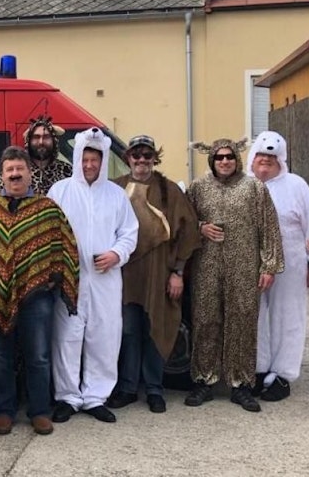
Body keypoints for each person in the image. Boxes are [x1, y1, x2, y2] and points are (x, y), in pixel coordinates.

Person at [0, 146, 79, 436]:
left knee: (39, 356)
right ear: (2, 174)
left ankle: (39, 411)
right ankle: (4, 411)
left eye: (19, 169)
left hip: (37, 295)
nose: (14, 174)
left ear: (29, 172)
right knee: (1, 357)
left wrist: (52, 275)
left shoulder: (47, 208)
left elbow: (64, 246)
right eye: (9, 170)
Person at [185, 137, 284, 412]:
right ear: (212, 160)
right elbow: (183, 221)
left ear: (237, 159)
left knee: (242, 321)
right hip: (207, 266)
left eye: (229, 156)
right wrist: (201, 227)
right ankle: (204, 380)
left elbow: (269, 228)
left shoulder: (254, 188)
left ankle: (241, 384)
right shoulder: (198, 187)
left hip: (244, 267)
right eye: (219, 157)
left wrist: (269, 266)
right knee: (205, 320)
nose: (225, 161)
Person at [47, 128, 138, 424]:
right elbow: (47, 231)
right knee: (67, 338)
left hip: (105, 278)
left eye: (94, 160)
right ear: (77, 159)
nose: (89, 165)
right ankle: (68, 397)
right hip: (69, 279)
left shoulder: (116, 195)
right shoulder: (60, 191)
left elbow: (129, 233)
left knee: (104, 336)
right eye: (84, 159)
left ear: (102, 162)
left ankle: (96, 396)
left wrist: (116, 254)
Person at [109, 135, 200, 414]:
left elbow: (188, 233)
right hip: (125, 275)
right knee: (128, 331)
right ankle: (127, 387)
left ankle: (154, 389)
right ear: (128, 158)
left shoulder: (169, 191)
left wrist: (178, 272)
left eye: (147, 155)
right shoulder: (115, 188)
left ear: (154, 158)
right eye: (136, 155)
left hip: (159, 273)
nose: (142, 161)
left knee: (155, 330)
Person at [246, 131, 309, 402]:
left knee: (287, 315)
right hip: (250, 261)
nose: (265, 162)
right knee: (254, 316)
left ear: (281, 159)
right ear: (252, 158)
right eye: (260, 157)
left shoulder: (296, 185)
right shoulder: (243, 185)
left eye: (271, 158)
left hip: (291, 261)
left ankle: (282, 374)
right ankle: (257, 369)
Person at [0, 115, 72, 195]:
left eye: (46, 137)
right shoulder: (16, 170)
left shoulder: (67, 170)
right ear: (29, 141)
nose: (41, 142)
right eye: (36, 137)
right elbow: (0, 199)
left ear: (54, 141)